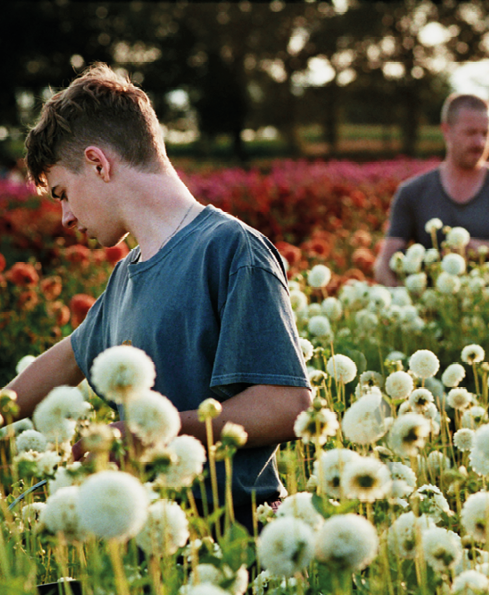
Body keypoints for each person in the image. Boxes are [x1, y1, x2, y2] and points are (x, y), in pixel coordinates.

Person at [3, 64, 312, 531]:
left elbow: (287, 406)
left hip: (231, 536)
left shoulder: (230, 249)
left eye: (63, 193)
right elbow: (67, 358)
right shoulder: (125, 276)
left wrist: (150, 433)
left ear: (98, 163)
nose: (65, 217)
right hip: (147, 538)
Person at [373, 93, 489, 286]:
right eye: (471, 133)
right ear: (446, 131)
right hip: (431, 301)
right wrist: (401, 295)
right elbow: (384, 265)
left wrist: (482, 248)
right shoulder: (412, 192)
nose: (480, 143)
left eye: (486, 133)